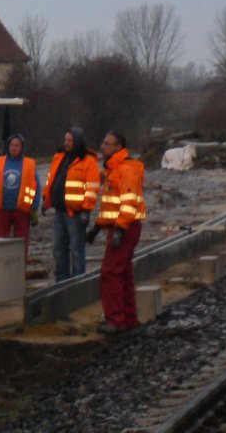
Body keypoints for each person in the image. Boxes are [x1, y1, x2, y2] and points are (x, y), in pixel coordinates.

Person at [87, 130, 146, 333]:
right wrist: (97, 227)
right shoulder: (116, 168)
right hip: (124, 226)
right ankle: (128, 319)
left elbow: (129, 202)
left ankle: (115, 320)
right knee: (124, 273)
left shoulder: (125, 169)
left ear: (118, 147)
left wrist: (120, 230)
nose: (102, 147)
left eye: (107, 143)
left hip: (125, 227)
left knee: (110, 273)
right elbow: (112, 206)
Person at [41, 127, 100, 282]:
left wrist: (86, 210)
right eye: (65, 140)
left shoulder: (88, 161)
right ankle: (62, 281)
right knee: (58, 249)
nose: (67, 143)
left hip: (76, 213)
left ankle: (78, 282)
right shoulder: (59, 157)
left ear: (78, 142)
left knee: (76, 250)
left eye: (70, 141)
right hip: (59, 211)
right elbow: (51, 180)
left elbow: (92, 187)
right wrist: (46, 200)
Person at [0, 134, 40, 260]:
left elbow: (37, 187)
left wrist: (34, 209)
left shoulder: (30, 164)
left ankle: (19, 268)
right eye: (12, 145)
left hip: (22, 211)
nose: (14, 148)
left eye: (17, 145)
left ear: (22, 147)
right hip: (1, 209)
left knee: (21, 244)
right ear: (7, 147)